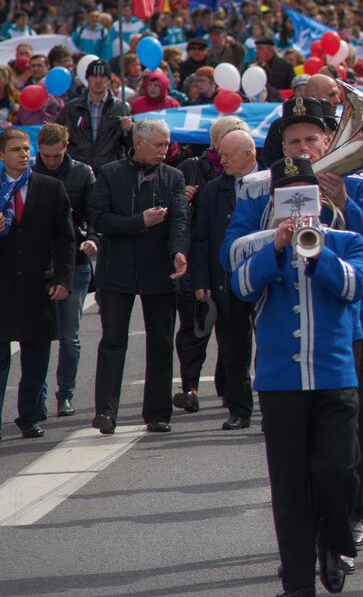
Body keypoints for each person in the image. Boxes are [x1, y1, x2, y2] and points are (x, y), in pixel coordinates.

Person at [223, 95, 363, 556]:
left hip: (355, 322)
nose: (301, 148)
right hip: (290, 331)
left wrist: (344, 203)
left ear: (328, 140)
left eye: (310, 139)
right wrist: (274, 232)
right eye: (292, 140)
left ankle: (349, 518)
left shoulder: (357, 179)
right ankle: (309, 538)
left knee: (354, 431)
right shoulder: (260, 189)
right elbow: (231, 253)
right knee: (296, 448)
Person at [229, 157, 363, 597]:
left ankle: (333, 543)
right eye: (288, 196)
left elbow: (353, 288)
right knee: (288, 482)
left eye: (305, 195)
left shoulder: (344, 240)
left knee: (336, 469)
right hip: (280, 380)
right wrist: (277, 248)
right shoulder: (258, 245)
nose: (297, 206)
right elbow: (242, 288)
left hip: (333, 374)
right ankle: (297, 578)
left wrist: (316, 251)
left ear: (319, 198)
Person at [88, 118, 190, 435]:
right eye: (159, 144)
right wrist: (140, 222)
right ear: (139, 142)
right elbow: (100, 219)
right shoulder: (110, 173)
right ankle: (106, 412)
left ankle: (158, 413)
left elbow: (180, 221)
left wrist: (178, 251)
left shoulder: (173, 176)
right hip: (116, 272)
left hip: (160, 270)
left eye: (167, 144)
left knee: (160, 343)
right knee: (113, 341)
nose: (165, 150)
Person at [0, 128, 75, 439]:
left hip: (38, 284)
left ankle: (29, 416)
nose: (23, 154)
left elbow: (65, 238)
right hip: (2, 286)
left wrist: (63, 278)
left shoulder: (50, 187)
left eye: (26, 148)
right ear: (2, 155)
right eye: (16, 149)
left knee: (36, 355)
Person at [172, 114, 249, 414]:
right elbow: (182, 221)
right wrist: (184, 200)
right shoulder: (193, 168)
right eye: (228, 138)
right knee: (196, 329)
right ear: (216, 143)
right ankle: (189, 386)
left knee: (233, 337)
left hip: (239, 268)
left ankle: (229, 392)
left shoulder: (256, 177)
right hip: (202, 264)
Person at [188, 127, 260, 431]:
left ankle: (273, 409)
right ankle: (239, 409)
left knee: (271, 349)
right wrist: (201, 281)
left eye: (227, 156)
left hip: (266, 279)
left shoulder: (272, 183)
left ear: (249, 154)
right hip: (226, 282)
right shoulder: (213, 190)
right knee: (232, 352)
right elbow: (201, 238)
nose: (221, 161)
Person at [33, 123, 96, 419]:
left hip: (74, 263)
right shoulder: (27, 174)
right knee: (37, 336)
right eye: (46, 156)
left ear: (66, 148)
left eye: (57, 155)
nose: (51, 161)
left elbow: (96, 212)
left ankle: (65, 394)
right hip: (36, 265)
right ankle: (37, 397)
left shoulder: (82, 173)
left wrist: (93, 239)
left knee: (69, 336)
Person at [61, 60, 133, 170]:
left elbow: (131, 147)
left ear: (109, 80)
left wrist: (128, 131)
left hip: (109, 171)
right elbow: (59, 139)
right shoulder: (71, 108)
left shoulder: (121, 108)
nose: (98, 80)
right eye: (94, 76)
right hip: (78, 170)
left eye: (103, 76)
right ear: (87, 79)